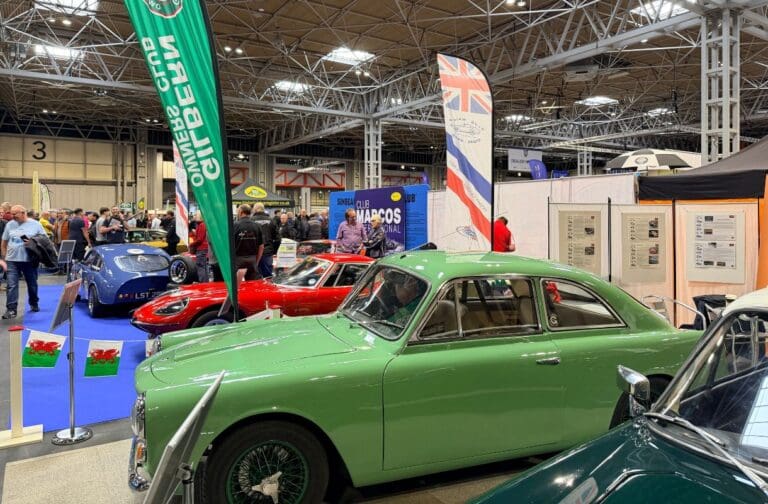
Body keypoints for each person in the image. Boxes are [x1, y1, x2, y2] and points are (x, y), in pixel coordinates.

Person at [1, 205, 46, 319]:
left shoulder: (36, 224)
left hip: (29, 260)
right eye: (11, 213)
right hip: (12, 260)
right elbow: (4, 242)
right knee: (11, 285)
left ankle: (34, 302)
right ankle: (11, 309)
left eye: (15, 214)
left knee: (32, 284)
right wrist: (5, 257)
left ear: (23, 213)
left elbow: (44, 240)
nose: (12, 216)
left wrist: (30, 242)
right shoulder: (10, 224)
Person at [233, 204, 264, 281]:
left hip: (238, 259)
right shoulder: (257, 226)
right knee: (252, 284)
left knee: (236, 285)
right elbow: (261, 246)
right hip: (252, 259)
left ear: (241, 212)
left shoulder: (234, 226)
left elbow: (230, 245)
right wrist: (256, 261)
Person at [252, 203, 280, 278]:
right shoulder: (271, 220)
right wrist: (273, 250)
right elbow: (278, 239)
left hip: (254, 253)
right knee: (268, 277)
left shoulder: (251, 221)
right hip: (268, 251)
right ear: (263, 209)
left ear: (254, 210)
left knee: (255, 277)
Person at [188, 211, 209, 282]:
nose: (194, 216)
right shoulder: (201, 224)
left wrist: (191, 244)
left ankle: (203, 282)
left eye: (195, 215)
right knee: (204, 266)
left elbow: (200, 239)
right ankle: (205, 282)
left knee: (201, 266)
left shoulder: (201, 225)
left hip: (201, 248)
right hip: (203, 248)